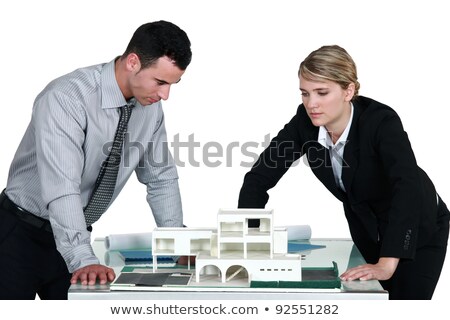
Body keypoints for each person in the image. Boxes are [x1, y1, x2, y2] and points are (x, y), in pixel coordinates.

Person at [238, 45, 450, 300]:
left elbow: (406, 188)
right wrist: (247, 242)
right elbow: (258, 178)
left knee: (404, 306)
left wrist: (387, 263)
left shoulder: (381, 122)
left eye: (322, 92)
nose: (311, 103)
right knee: (370, 303)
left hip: (417, 225)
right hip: (368, 226)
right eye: (305, 93)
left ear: (348, 90)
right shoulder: (305, 124)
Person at [0, 20, 192, 299]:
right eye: (160, 82)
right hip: (18, 237)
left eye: (173, 84)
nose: (165, 95)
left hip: (74, 235)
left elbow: (160, 177)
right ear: (133, 62)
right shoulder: (66, 98)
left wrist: (177, 243)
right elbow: (63, 186)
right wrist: (83, 258)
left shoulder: (150, 108)